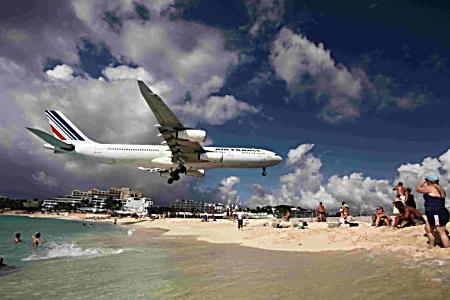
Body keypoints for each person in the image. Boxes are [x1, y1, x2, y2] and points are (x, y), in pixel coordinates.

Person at [416, 176, 450, 248]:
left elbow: (418, 189)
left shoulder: (431, 188)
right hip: (439, 212)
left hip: (436, 213)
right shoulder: (441, 189)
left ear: (429, 181)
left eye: (427, 181)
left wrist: (422, 182)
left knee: (441, 231)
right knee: (427, 228)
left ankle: (447, 249)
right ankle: (431, 245)